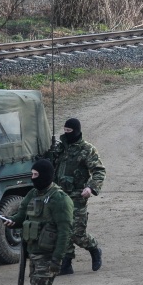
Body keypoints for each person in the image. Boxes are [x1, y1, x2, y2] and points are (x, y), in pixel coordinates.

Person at [3, 159, 79, 285]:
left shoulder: (60, 199)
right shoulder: (33, 194)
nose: (32, 178)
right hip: (34, 253)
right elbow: (21, 216)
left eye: (35, 175)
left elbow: (64, 232)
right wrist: (12, 222)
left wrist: (57, 259)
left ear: (45, 175)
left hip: (49, 255)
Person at [49, 118, 106, 275]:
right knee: (62, 228)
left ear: (77, 131)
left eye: (70, 131)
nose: (67, 134)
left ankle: (94, 248)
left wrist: (91, 188)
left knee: (76, 232)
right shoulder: (59, 148)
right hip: (60, 195)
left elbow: (99, 170)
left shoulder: (87, 149)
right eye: (65, 131)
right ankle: (66, 264)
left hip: (77, 195)